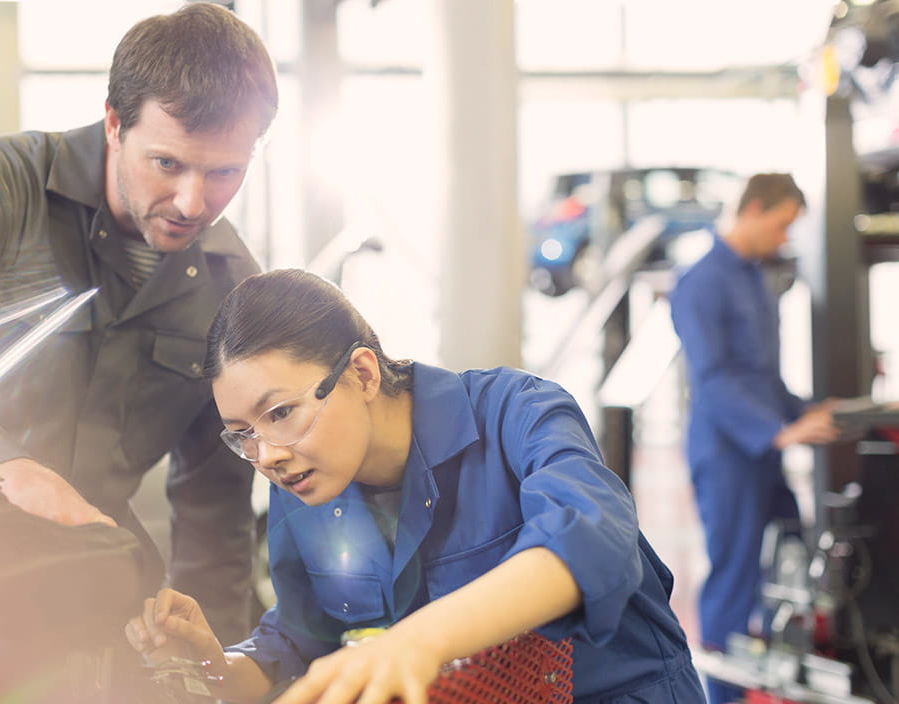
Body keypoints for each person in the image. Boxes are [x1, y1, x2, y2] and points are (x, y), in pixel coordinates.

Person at [0, 3, 278, 645]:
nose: (194, 203)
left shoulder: (233, 288)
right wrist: (9, 470)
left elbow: (215, 517)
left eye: (224, 173)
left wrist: (216, 670)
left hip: (75, 611)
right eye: (168, 164)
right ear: (113, 124)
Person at [125, 268, 706, 704]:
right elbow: (302, 649)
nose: (267, 455)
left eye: (280, 412)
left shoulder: (514, 413)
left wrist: (419, 640)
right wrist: (214, 665)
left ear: (361, 372)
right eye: (241, 434)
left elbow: (592, 537)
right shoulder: (304, 487)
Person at [669, 173, 841, 703]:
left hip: (764, 448)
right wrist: (779, 430)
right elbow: (714, 378)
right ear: (754, 210)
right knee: (735, 570)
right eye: (783, 224)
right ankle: (719, 694)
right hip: (726, 451)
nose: (785, 237)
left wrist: (807, 411)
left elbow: (763, 376)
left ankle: (771, 671)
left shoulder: (754, 279)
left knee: (794, 544)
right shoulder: (699, 283)